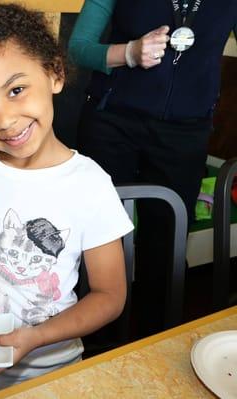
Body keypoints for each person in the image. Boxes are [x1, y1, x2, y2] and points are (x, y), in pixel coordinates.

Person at [0, 4, 134, 398]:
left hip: (50, 378)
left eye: (16, 90)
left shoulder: (90, 185)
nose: (4, 120)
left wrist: (36, 336)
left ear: (55, 73)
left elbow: (109, 295)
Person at [68, 0, 237, 335]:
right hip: (110, 123)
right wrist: (129, 53)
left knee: (168, 242)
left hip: (186, 131)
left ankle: (154, 341)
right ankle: (90, 342)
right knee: (98, 238)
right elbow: (78, 48)